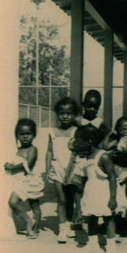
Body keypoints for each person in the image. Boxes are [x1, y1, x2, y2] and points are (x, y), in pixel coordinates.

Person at [72, 125, 127, 253]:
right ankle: (93, 244)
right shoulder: (85, 157)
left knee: (108, 218)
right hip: (91, 191)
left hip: (104, 191)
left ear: (89, 141)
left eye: (78, 141)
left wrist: (113, 198)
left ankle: (111, 246)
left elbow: (112, 177)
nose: (75, 143)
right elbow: (84, 177)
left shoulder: (103, 156)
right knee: (91, 217)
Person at [46, 97, 79, 243]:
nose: (65, 116)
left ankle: (69, 225)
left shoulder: (76, 131)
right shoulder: (52, 132)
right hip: (57, 169)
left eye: (69, 113)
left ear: (74, 115)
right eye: (62, 113)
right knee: (62, 200)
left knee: (71, 199)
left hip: (73, 169)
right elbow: (49, 152)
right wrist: (47, 170)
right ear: (57, 114)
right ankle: (62, 229)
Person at [5, 119, 44, 239]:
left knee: (35, 205)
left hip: (32, 181)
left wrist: (12, 167)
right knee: (13, 202)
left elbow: (29, 164)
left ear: (34, 135)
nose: (25, 136)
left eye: (29, 133)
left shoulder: (33, 149)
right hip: (20, 182)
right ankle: (28, 220)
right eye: (22, 134)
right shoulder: (17, 150)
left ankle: (35, 229)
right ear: (17, 135)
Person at [104, 116, 127, 219]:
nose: (125, 131)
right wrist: (109, 135)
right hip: (115, 169)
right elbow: (105, 147)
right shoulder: (116, 142)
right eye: (122, 129)